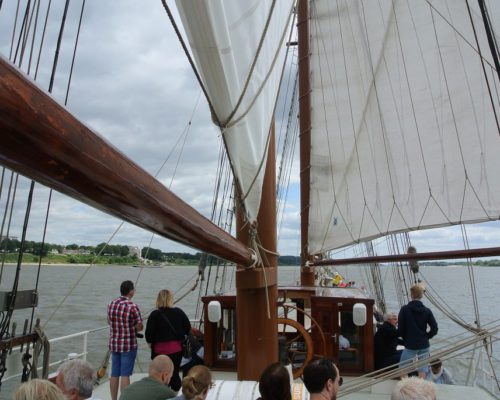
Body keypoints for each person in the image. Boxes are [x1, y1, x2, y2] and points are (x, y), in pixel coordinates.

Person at [146, 289, 191, 392]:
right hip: (176, 351)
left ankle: (162, 394)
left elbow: (148, 334)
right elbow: (187, 328)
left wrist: (151, 343)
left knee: (159, 376)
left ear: (158, 300)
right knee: (174, 374)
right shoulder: (179, 312)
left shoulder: (154, 315)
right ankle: (178, 395)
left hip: (159, 352)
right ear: (171, 299)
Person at [107, 280, 143, 400]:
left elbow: (109, 321)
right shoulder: (132, 306)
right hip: (128, 345)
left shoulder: (111, 304)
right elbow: (139, 326)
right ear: (131, 291)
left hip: (114, 344)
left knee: (114, 373)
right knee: (125, 374)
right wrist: (133, 327)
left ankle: (113, 399)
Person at [398, 283, 438, 378]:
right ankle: (419, 388)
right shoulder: (427, 311)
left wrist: (406, 339)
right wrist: (426, 336)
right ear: (421, 296)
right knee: (422, 369)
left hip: (410, 344)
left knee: (402, 369)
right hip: (424, 345)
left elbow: (400, 330)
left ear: (411, 295)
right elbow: (435, 328)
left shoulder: (404, 310)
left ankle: (406, 387)